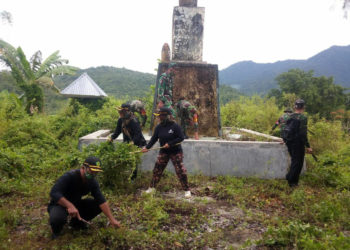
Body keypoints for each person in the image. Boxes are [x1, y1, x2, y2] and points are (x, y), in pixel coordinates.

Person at [48, 156, 121, 239]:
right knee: (58, 218)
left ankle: (76, 223)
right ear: (83, 168)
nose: (93, 174)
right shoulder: (69, 176)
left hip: (76, 203)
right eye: (92, 171)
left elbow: (101, 200)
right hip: (59, 204)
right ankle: (55, 231)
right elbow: (54, 192)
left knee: (97, 205)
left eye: (96, 172)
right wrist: (69, 206)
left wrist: (112, 219)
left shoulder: (92, 182)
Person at [141, 107, 191, 198]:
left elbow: (181, 137)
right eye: (159, 116)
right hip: (164, 151)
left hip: (175, 151)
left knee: (180, 170)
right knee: (157, 169)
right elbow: (154, 139)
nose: (159, 118)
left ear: (167, 116)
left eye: (161, 116)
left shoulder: (175, 126)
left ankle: (187, 190)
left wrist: (170, 143)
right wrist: (147, 147)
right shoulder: (158, 127)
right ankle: (152, 188)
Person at [109, 103, 146, 180]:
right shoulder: (120, 120)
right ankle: (123, 174)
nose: (120, 113)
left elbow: (138, 134)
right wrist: (112, 138)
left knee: (133, 160)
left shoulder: (134, 120)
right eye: (119, 112)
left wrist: (133, 142)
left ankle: (133, 177)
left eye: (121, 112)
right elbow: (117, 131)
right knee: (122, 157)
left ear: (127, 111)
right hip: (126, 142)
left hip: (136, 143)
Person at [283, 99, 313, 187]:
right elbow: (303, 133)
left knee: (294, 160)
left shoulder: (288, 116)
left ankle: (289, 176)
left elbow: (284, 129)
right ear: (303, 107)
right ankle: (292, 182)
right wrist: (308, 146)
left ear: (294, 107)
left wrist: (284, 139)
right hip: (298, 142)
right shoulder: (303, 118)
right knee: (298, 162)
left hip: (289, 141)